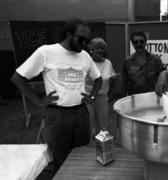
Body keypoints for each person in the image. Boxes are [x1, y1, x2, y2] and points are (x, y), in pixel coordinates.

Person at [11, 18, 102, 173]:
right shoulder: (46, 52)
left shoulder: (85, 56)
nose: (85, 44)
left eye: (87, 40)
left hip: (81, 113)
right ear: (68, 34)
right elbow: (17, 78)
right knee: (61, 156)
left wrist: (92, 97)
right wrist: (39, 101)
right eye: (81, 39)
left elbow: (98, 78)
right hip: (57, 115)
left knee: (82, 155)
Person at [85, 37, 116, 137]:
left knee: (103, 125)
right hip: (87, 98)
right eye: (97, 48)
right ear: (91, 49)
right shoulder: (86, 62)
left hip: (102, 98)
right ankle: (88, 146)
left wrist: (110, 94)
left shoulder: (108, 63)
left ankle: (102, 146)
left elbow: (113, 78)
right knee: (89, 122)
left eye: (102, 48)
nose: (100, 50)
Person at [122, 31, 165, 96]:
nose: (139, 44)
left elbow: (163, 78)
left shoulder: (156, 60)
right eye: (136, 42)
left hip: (152, 98)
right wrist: (123, 98)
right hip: (134, 99)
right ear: (132, 43)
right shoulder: (127, 61)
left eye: (141, 41)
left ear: (145, 42)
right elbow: (124, 82)